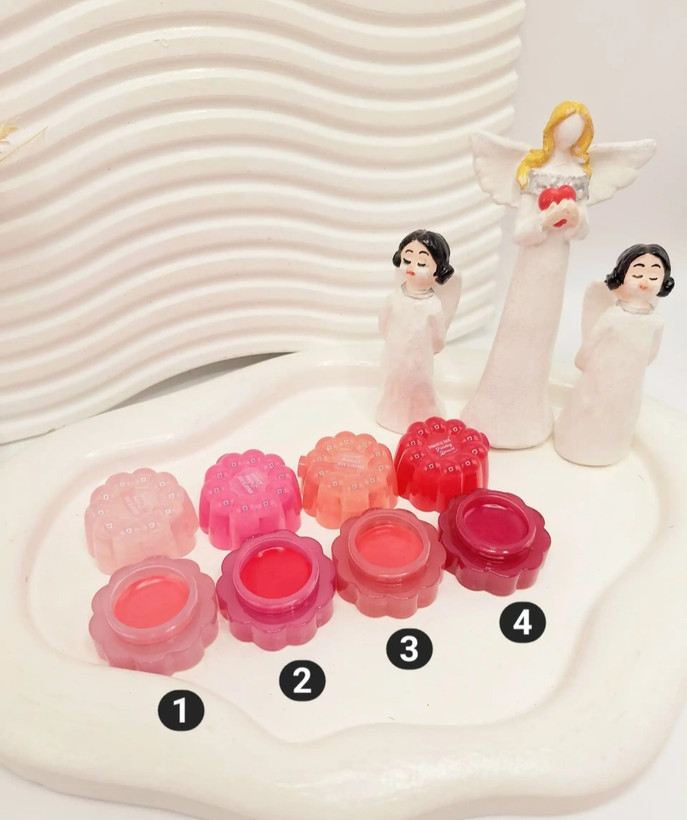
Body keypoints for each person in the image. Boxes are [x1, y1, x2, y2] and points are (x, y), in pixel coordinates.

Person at [462, 101, 655, 449]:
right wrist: (545, 220)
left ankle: (529, 414)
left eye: (578, 129)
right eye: (566, 126)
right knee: (518, 328)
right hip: (530, 266)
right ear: (553, 127)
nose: (570, 133)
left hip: (556, 267)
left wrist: (575, 220)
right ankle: (494, 411)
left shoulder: (580, 175)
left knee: (542, 334)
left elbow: (581, 231)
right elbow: (521, 232)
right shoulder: (533, 169)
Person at [554, 244, 674, 466]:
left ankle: (610, 447)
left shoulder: (655, 322)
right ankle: (576, 442)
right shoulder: (614, 315)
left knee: (620, 411)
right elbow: (593, 339)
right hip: (601, 372)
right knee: (591, 405)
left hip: (629, 380)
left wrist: (633, 369)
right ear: (622, 276)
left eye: (653, 276)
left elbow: (652, 352)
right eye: (637, 274)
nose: (645, 281)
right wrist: (584, 359)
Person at [376, 229, 454, 434]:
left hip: (420, 359)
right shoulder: (394, 298)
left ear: (438, 270)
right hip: (394, 355)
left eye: (422, 264)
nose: (411, 267)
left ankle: (421, 417)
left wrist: (424, 350)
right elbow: (383, 324)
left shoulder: (433, 306)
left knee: (419, 386)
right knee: (393, 383)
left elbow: (438, 339)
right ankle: (390, 414)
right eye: (407, 260)